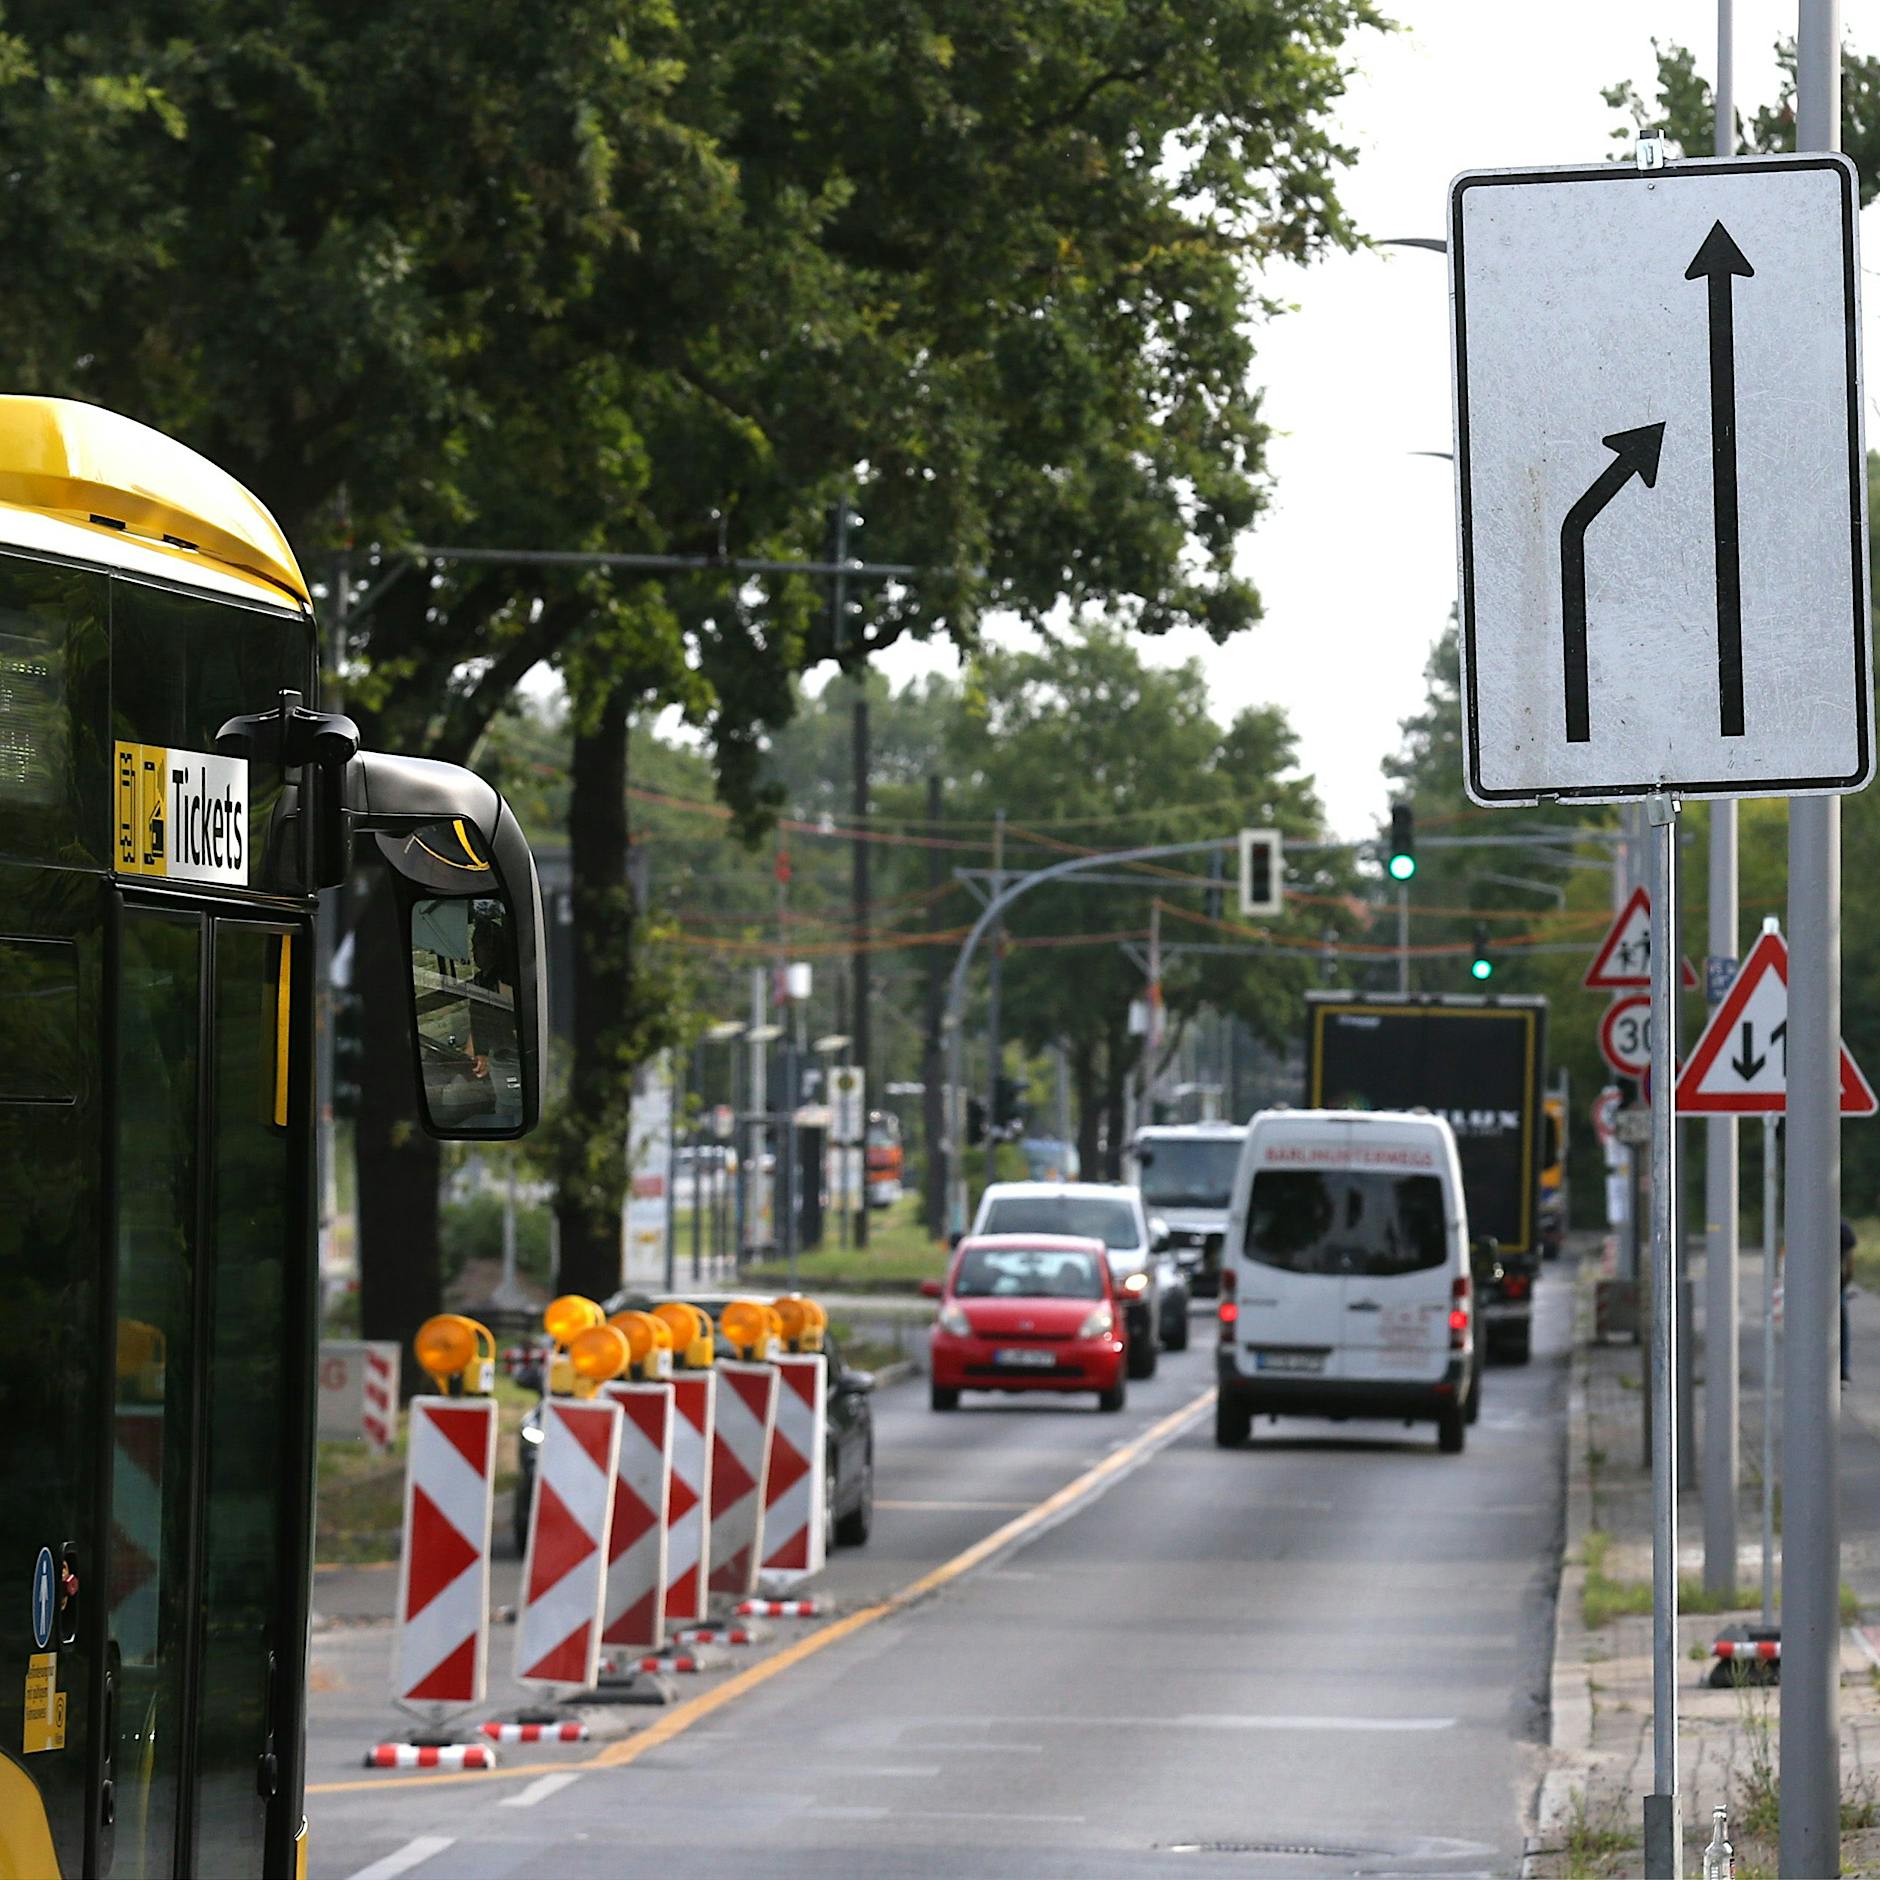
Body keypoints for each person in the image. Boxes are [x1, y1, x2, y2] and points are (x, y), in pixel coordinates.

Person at [1842, 1219, 1856, 1387]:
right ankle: (1843, 1369)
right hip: (1838, 1284)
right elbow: (1850, 1263)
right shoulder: (1843, 1228)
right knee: (1842, 1328)